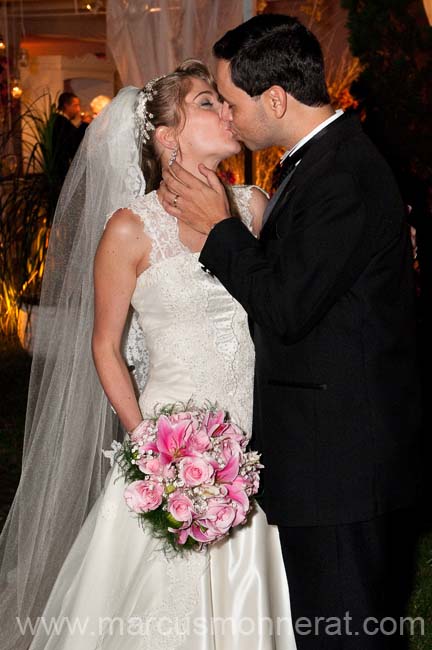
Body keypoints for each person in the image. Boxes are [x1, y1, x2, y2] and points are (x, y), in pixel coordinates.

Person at [0, 60, 296, 649]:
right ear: (167, 136)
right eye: (209, 102)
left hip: (253, 440)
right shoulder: (130, 230)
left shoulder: (256, 208)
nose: (227, 111)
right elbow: (105, 347)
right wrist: (152, 455)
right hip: (169, 442)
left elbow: (295, 303)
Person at [159, 15, 422, 650]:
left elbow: (285, 305)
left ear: (275, 98)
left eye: (231, 99)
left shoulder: (340, 177)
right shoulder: (319, 162)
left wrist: (218, 231)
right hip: (330, 458)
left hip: (342, 466)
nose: (226, 112)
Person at [52, 92, 90, 182]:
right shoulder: (60, 122)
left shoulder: (61, 120)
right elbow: (73, 142)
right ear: (66, 105)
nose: (78, 109)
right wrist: (84, 124)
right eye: (75, 105)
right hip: (61, 172)